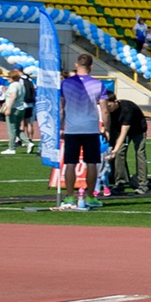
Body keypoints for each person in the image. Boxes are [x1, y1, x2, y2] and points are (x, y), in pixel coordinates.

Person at [57, 52, 108, 211]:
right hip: (91, 128)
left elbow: (61, 108)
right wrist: (105, 128)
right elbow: (105, 110)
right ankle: (91, 196)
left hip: (72, 128)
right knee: (92, 163)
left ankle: (70, 195)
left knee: (70, 163)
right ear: (91, 67)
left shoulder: (66, 83)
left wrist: (60, 126)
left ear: (76, 65)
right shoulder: (98, 84)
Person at [103, 88, 151, 195]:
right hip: (120, 128)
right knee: (120, 152)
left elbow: (124, 132)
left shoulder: (127, 109)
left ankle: (143, 183)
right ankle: (120, 183)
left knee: (139, 153)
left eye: (109, 106)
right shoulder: (108, 111)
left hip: (138, 129)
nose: (108, 109)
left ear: (116, 101)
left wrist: (114, 150)